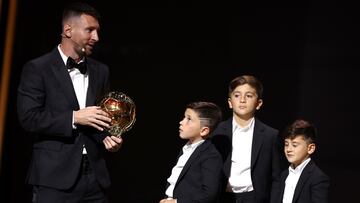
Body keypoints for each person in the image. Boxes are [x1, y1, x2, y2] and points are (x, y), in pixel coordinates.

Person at [17, 2, 122, 202]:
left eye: (97, 31)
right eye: (89, 30)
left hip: (95, 177)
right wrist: (74, 117)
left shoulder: (101, 71)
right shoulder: (38, 68)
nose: (96, 37)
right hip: (54, 177)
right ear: (68, 30)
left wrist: (109, 138)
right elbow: (29, 118)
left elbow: (102, 117)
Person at [211, 75, 287, 203]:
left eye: (249, 96)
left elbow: (277, 177)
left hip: (254, 198)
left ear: (259, 103)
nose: (242, 100)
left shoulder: (270, 135)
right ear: (230, 102)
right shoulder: (216, 133)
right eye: (237, 95)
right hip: (222, 197)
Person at [159, 101, 223, 203]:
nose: (181, 122)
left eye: (189, 119)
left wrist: (177, 202)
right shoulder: (186, 148)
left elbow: (209, 194)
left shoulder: (211, 155)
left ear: (204, 130)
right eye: (184, 117)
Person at [270, 119, 330, 203]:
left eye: (294, 145)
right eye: (286, 144)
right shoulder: (283, 175)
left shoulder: (318, 178)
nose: (288, 149)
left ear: (310, 148)